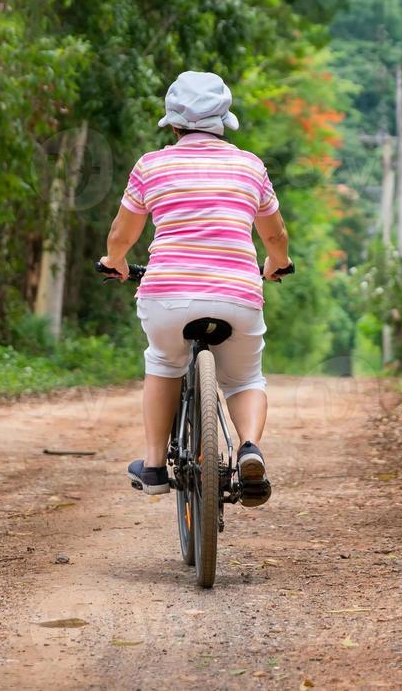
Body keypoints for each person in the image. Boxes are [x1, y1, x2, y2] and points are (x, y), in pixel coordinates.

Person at [97, 71, 291, 507]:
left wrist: (116, 262)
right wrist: (277, 265)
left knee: (163, 362)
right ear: (225, 121)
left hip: (169, 295)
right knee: (244, 378)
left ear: (173, 123)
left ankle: (151, 466)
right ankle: (249, 449)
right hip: (237, 294)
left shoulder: (151, 165)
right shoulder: (250, 165)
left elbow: (120, 234)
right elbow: (275, 237)